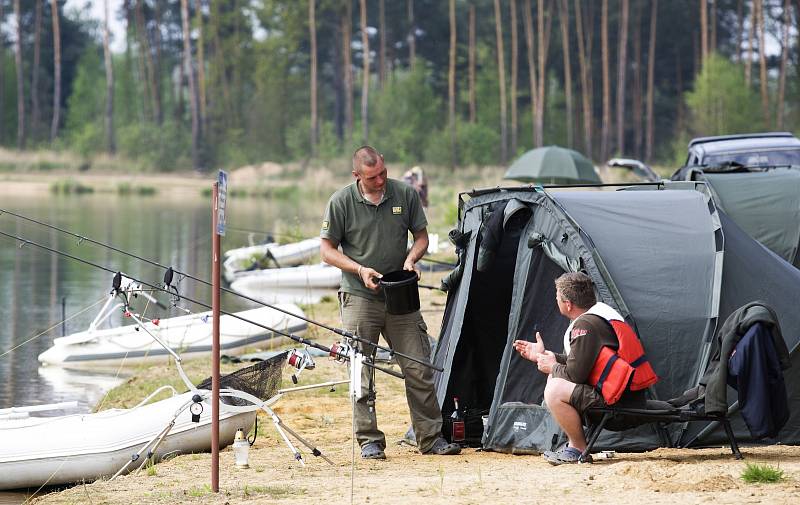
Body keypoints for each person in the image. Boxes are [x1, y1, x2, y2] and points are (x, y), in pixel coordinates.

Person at [320, 146, 460, 459]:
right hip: (359, 296)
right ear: (357, 176)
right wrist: (358, 269)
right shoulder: (340, 202)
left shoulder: (405, 194)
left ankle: (430, 437)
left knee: (419, 366)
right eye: (373, 177)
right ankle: (369, 439)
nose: (381, 180)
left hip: (401, 294)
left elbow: (421, 237)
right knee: (362, 370)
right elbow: (326, 250)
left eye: (383, 172)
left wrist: (412, 259)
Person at [512, 272, 654, 465]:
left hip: (618, 404)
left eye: (557, 298)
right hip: (626, 396)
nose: (556, 301)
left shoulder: (585, 324)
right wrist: (544, 357)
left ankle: (578, 448)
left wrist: (552, 366)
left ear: (568, 304)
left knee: (555, 388)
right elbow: (584, 362)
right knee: (555, 379)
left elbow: (575, 374)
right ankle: (573, 445)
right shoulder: (598, 315)